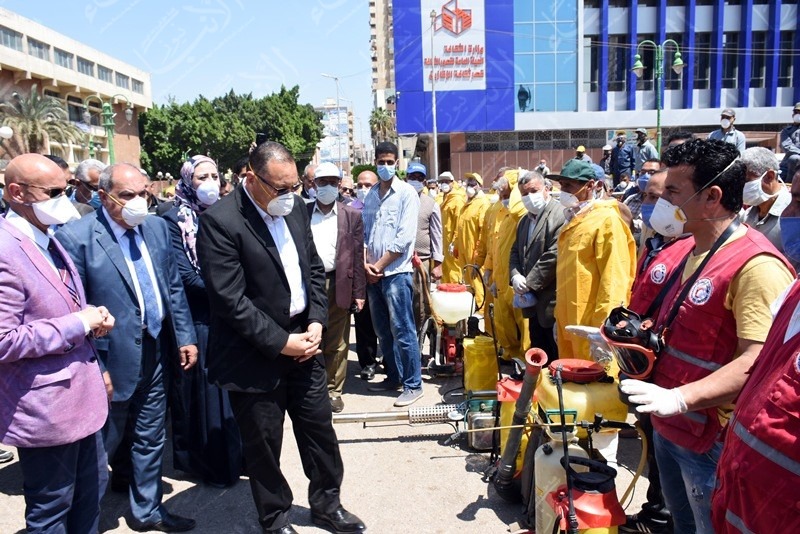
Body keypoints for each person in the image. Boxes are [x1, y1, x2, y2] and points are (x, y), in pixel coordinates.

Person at [620, 138, 795, 534]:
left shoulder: (756, 266)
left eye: (673, 192)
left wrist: (681, 398)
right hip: (670, 425)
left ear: (712, 197)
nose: (663, 202)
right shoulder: (685, 249)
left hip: (709, 440)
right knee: (681, 523)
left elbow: (758, 362)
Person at [196, 141, 366, 534]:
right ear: (251, 178)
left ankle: (327, 505)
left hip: (305, 343)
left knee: (320, 432)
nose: (290, 195)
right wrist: (280, 342)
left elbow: (313, 270)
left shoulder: (295, 210)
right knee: (264, 445)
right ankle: (274, 518)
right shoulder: (221, 222)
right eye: (281, 188)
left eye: (295, 187)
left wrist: (317, 321)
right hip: (254, 354)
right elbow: (230, 300)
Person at [56, 163, 199, 533]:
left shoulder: (156, 228)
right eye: (128, 195)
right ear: (104, 197)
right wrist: (96, 365)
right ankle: (83, 519)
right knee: (101, 445)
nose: (139, 202)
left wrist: (185, 336)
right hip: (108, 360)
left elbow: (172, 286)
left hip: (156, 350)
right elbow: (74, 308)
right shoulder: (77, 237)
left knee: (151, 436)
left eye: (143, 193)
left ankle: (147, 511)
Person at [0, 153, 114, 533]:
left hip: (82, 398)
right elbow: (4, 340)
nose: (62, 200)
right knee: (52, 508)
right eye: (52, 192)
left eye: (65, 189)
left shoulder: (46, 238)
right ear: (17, 193)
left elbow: (56, 304)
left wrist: (91, 318)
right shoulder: (5, 249)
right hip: (46, 408)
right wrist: (77, 323)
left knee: (91, 493)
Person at [710, 175, 800, 533]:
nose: (789, 214)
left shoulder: (763, 268)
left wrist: (682, 398)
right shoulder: (794, 294)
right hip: (741, 504)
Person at [161, 155, 242, 488]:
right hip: (200, 317)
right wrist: (233, 291)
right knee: (207, 393)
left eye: (214, 176)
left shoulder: (228, 213)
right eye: (200, 177)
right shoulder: (173, 220)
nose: (209, 183)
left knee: (235, 391)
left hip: (232, 314)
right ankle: (212, 465)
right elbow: (184, 276)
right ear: (186, 182)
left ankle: (239, 456)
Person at [551, 159, 636, 362]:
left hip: (592, 325)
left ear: (590, 185)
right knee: (571, 375)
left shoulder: (606, 221)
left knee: (596, 376)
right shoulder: (575, 219)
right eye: (562, 185)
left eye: (569, 185)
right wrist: (559, 316)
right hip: (570, 320)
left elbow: (614, 279)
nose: (563, 191)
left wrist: (605, 328)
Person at [363, 141, 424, 407]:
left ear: (397, 163)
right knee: (383, 331)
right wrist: (366, 265)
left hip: (396, 274)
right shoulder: (371, 195)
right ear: (375, 162)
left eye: (390, 162)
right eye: (381, 162)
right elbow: (364, 234)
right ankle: (394, 377)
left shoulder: (407, 193)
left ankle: (413, 384)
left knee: (403, 330)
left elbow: (403, 239)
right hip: (373, 276)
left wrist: (379, 266)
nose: (385, 166)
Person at [307, 162, 366, 413]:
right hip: (309, 284)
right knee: (310, 339)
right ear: (314, 184)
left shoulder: (352, 215)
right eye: (323, 182)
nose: (328, 187)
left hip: (339, 283)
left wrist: (359, 292)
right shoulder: (301, 212)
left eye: (333, 182)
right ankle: (311, 390)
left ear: (340, 184)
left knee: (337, 342)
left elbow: (357, 256)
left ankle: (333, 391)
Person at [509, 170, 565, 364]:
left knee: (554, 356)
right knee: (538, 352)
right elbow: (515, 251)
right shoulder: (524, 221)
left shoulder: (559, 215)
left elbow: (554, 255)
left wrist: (529, 282)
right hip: (532, 303)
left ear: (546, 189)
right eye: (524, 194)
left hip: (551, 301)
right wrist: (515, 275)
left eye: (533, 191)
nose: (529, 197)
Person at [484, 168, 530, 359]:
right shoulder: (499, 212)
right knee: (504, 321)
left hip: (517, 276)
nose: (504, 198)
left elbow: (518, 208)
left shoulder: (521, 212)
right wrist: (489, 269)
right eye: (502, 195)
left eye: (507, 194)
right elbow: (493, 243)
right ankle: (511, 357)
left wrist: (515, 182)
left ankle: (527, 360)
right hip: (501, 278)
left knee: (523, 323)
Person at [406, 162, 443, 332]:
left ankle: (418, 336)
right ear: (406, 178)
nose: (415, 180)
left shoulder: (430, 204)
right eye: (412, 177)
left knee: (420, 303)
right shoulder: (398, 200)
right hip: (398, 260)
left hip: (421, 261)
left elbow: (436, 235)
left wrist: (438, 264)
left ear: (425, 181)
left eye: (419, 178)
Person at [741, 146, 793, 266]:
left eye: (746, 180)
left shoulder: (793, 216)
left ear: (769, 176)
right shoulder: (747, 216)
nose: (741, 187)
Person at [351, 170, 381, 380]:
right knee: (363, 320)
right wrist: (362, 265)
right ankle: (368, 362)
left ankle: (390, 360)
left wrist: (377, 266)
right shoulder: (350, 209)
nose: (363, 189)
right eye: (360, 185)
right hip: (360, 272)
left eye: (368, 185)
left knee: (387, 321)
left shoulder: (384, 207)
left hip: (383, 269)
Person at [476, 167, 512, 337]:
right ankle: (492, 341)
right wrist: (484, 265)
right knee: (493, 315)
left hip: (510, 274)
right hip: (493, 270)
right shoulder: (493, 209)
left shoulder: (517, 211)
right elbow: (487, 240)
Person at [453, 171, 489, 310]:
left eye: (473, 184)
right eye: (468, 183)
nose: (469, 186)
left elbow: (483, 232)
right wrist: (456, 245)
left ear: (479, 186)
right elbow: (460, 226)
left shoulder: (482, 204)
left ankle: (480, 313)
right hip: (464, 252)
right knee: (468, 284)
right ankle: (472, 309)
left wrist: (478, 254)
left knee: (478, 284)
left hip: (474, 253)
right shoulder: (467, 203)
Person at [438, 170, 466, 283]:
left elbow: (459, 222)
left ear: (452, 183)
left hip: (451, 241)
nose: (444, 184)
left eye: (447, 181)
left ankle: (454, 289)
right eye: (442, 182)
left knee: (454, 269)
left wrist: (455, 241)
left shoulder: (457, 199)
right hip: (445, 241)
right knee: (446, 268)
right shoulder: (445, 198)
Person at [779, 102, 800, 182]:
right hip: (787, 165)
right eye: (796, 112)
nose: (798, 114)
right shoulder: (786, 131)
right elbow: (787, 146)